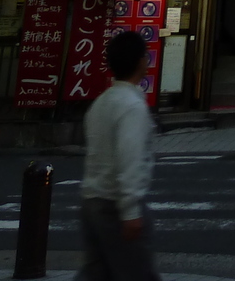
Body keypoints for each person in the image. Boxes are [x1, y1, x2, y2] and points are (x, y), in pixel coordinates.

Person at [78, 30, 158, 281]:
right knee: (138, 273)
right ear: (140, 62)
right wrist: (131, 210)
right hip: (115, 206)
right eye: (145, 56)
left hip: (92, 201)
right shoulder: (132, 107)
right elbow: (130, 161)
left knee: (97, 273)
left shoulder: (101, 102)